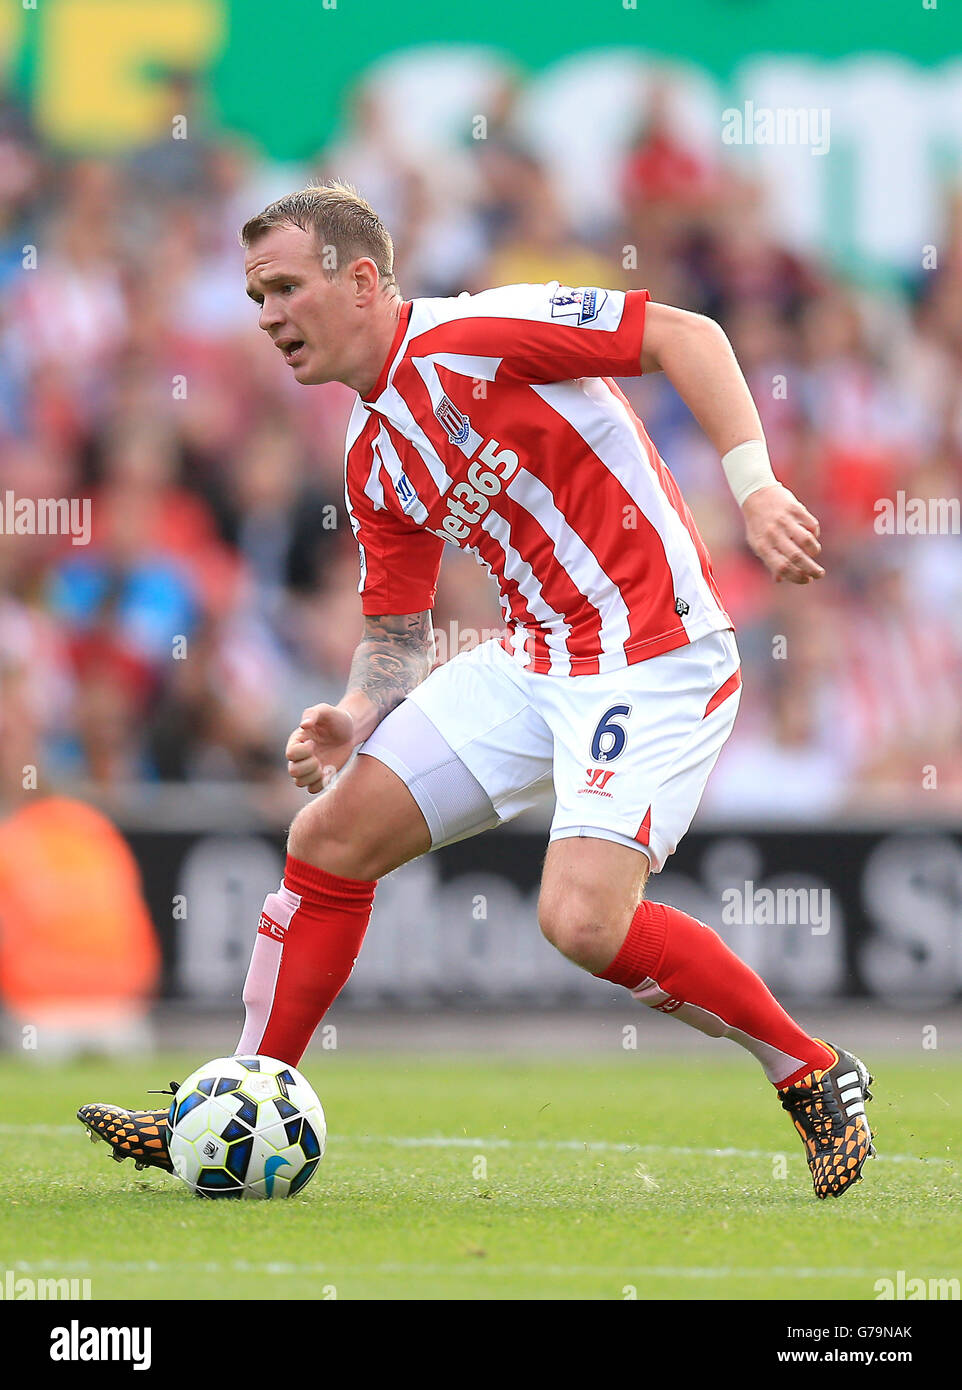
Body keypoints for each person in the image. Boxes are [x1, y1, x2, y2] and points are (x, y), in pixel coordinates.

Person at [79, 181, 874, 1199]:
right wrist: (354, 712)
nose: (268, 315)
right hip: (532, 658)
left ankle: (808, 1067)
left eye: (283, 287)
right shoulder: (371, 453)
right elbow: (397, 633)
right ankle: (240, 1093)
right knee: (327, 837)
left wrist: (753, 484)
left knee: (582, 922)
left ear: (358, 279)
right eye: (254, 297)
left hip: (652, 650)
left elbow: (685, 332)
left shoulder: (483, 332)